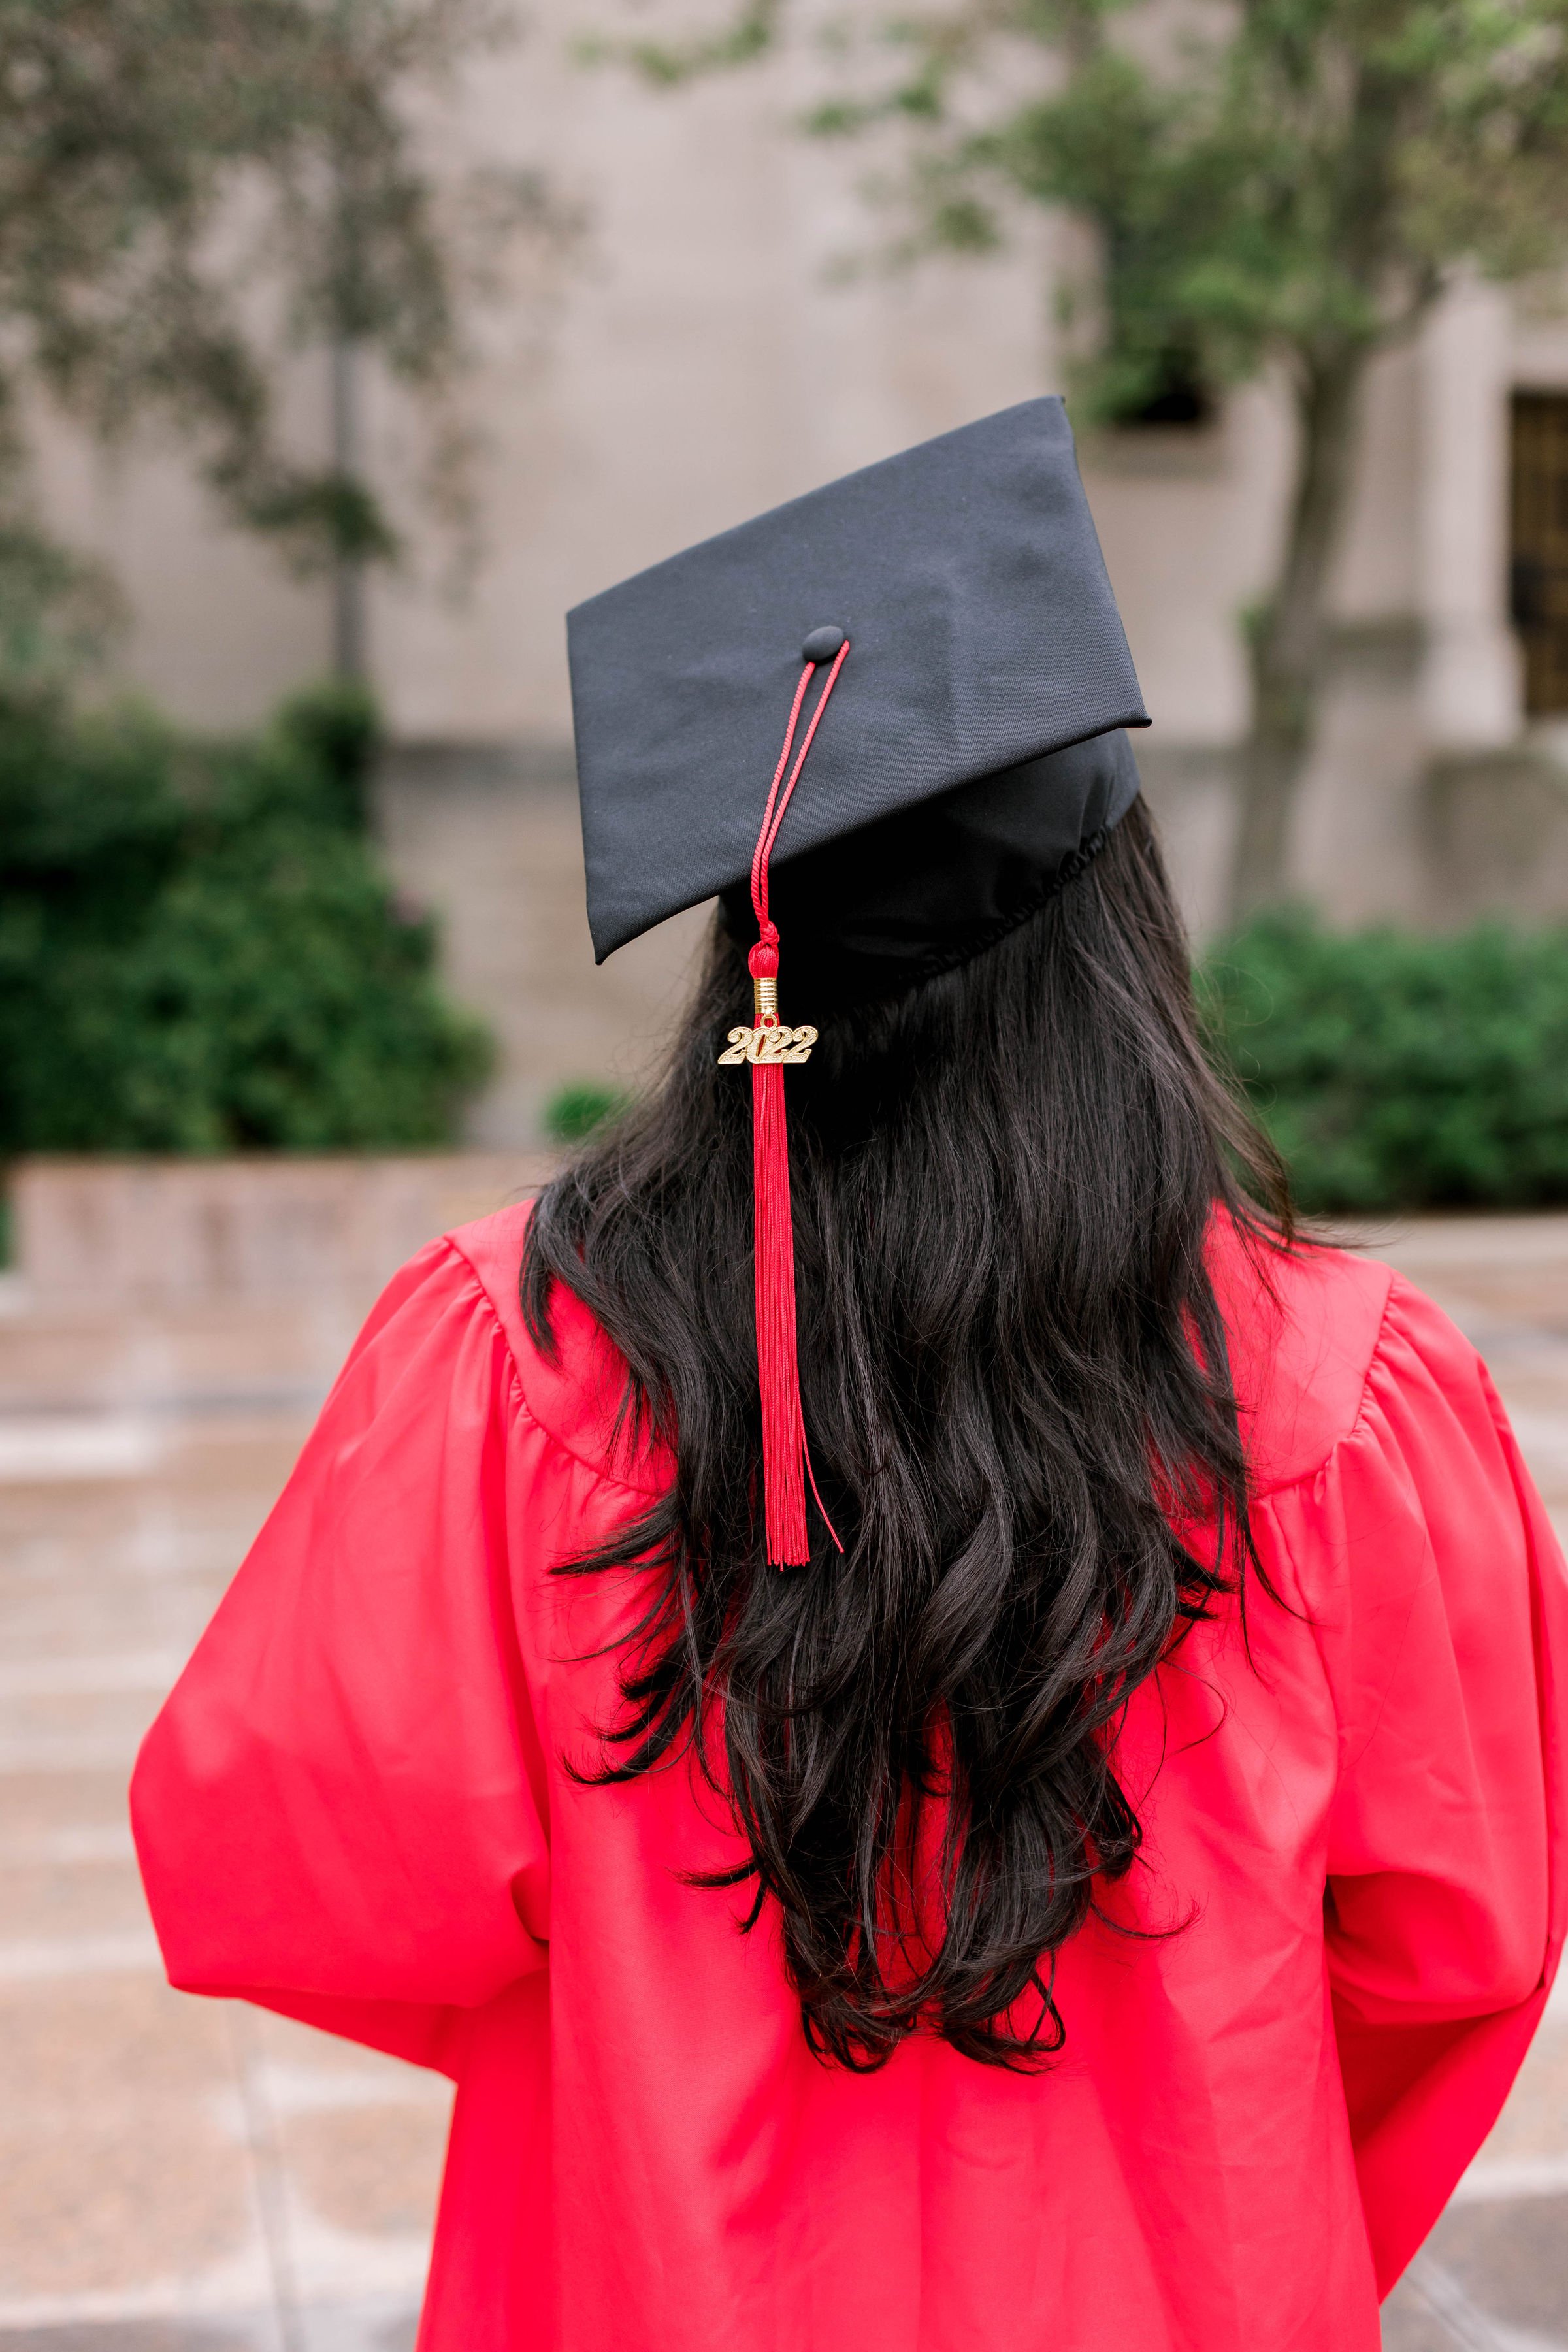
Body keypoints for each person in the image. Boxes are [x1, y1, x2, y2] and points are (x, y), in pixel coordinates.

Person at [133, 402, 1567, 2352]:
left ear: (755, 968)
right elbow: (1456, 1950)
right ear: (1124, 941)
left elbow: (297, 1879)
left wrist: (632, 2005)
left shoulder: (516, 1370)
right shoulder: (1347, 1404)